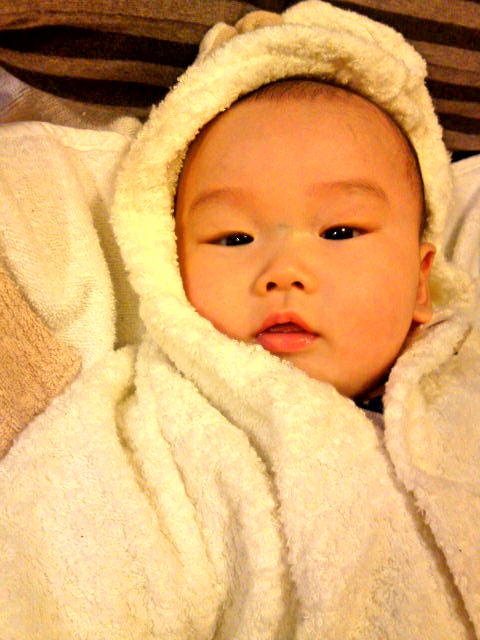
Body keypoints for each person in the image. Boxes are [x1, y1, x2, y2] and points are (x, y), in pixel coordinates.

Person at [1, 1, 479, 638]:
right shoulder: (157, 434)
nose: (282, 271)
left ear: (421, 282)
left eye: (339, 231)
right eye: (233, 238)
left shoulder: (467, 386)